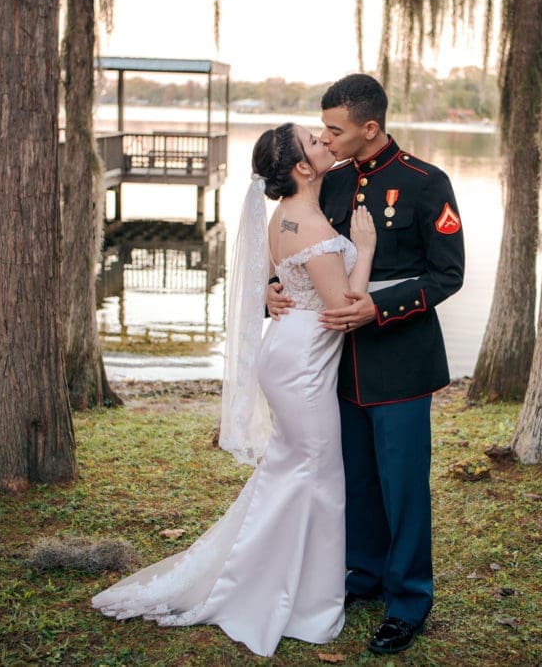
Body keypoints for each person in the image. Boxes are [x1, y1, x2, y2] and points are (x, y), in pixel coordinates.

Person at [92, 123, 376, 658]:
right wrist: (364, 248)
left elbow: (279, 278)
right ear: (301, 168)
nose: (324, 140)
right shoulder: (310, 223)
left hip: (290, 349)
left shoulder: (284, 215)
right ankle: (298, 602)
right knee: (316, 476)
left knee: (295, 474)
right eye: (315, 141)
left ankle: (292, 589)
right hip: (304, 362)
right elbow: (343, 310)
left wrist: (276, 291)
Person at [267, 74, 465, 655]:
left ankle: (407, 601)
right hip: (335, 359)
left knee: (402, 486)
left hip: (400, 357)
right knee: (354, 477)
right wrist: (271, 291)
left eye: (336, 129)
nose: (326, 139)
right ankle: (365, 575)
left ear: (369, 128)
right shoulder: (328, 183)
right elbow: (300, 253)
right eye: (322, 129)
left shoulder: (427, 183)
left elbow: (447, 274)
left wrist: (377, 306)